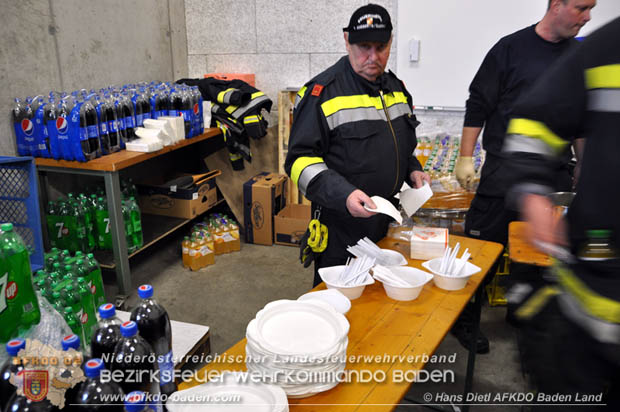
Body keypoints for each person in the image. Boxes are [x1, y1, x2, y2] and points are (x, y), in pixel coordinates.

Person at [452, 0, 595, 354]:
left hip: (553, 175)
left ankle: (524, 314)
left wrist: (583, 163)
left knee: (539, 254)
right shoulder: (510, 49)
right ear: (556, 5)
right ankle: (465, 319)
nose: (588, 16)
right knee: (481, 251)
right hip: (504, 171)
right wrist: (465, 156)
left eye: (592, 8)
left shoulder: (579, 56)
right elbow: (478, 104)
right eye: (581, 7)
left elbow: (581, 120)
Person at [503, 15, 620, 410]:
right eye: (581, 6)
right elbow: (532, 122)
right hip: (588, 300)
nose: (588, 14)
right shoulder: (607, 46)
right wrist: (533, 193)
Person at [284, 3, 430, 287]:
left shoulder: (397, 89)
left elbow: (402, 144)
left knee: (381, 304)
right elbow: (299, 161)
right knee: (340, 304)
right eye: (364, 46)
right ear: (346, 41)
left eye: (381, 46)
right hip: (341, 226)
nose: (373, 57)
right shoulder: (321, 94)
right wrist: (344, 194)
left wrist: (413, 169)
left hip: (386, 221)